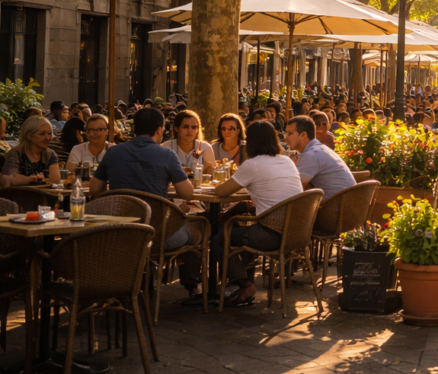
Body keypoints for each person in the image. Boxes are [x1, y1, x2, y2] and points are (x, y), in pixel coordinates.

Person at [90, 108, 202, 296]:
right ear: (160, 130)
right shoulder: (167, 155)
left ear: (133, 129)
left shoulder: (112, 153)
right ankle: (192, 285)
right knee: (200, 225)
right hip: (158, 235)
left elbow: (94, 190)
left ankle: (146, 273)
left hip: (120, 232)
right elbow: (188, 193)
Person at [212, 121, 304, 306]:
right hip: (297, 234)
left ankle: (245, 285)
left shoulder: (252, 165)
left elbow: (221, 193)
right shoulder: (286, 160)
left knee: (219, 238)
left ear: (250, 141)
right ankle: (242, 279)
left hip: (271, 235)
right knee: (238, 226)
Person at [284, 115, 355, 200]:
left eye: (290, 133)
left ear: (303, 135)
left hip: (335, 209)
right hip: (345, 206)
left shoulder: (311, 155)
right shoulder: (319, 149)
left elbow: (295, 189)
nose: (285, 137)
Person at [2, 115, 61, 186]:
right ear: (29, 135)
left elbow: (55, 181)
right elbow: (9, 178)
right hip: (19, 195)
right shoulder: (16, 152)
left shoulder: (50, 154)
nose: (47, 137)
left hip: (44, 195)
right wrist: (31, 179)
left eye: (49, 133)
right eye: (42, 134)